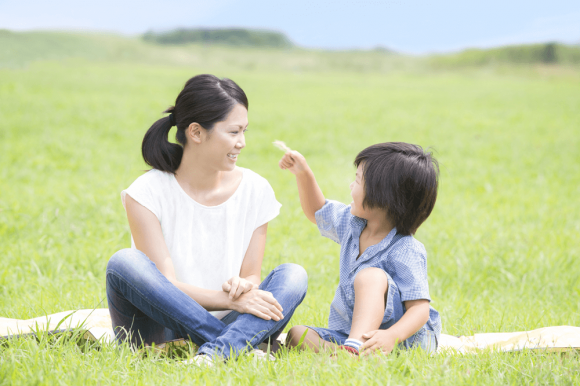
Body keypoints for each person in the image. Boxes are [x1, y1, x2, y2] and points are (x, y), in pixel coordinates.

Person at [105, 74, 308, 363]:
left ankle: (216, 352)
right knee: (124, 262)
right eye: (234, 132)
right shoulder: (147, 192)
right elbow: (166, 286)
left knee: (293, 275)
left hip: (231, 323)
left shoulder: (255, 189)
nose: (242, 143)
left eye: (244, 131)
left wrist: (244, 285)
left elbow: (251, 273)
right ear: (196, 132)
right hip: (158, 332)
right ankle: (241, 350)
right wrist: (227, 299)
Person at [279, 142, 441, 356]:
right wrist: (303, 173)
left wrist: (391, 336)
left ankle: (353, 350)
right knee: (297, 335)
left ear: (383, 196)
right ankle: (345, 354)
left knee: (370, 277)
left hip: (403, 339)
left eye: (357, 180)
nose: (350, 186)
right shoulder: (352, 223)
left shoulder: (406, 248)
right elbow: (317, 211)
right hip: (350, 335)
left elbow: (419, 310)